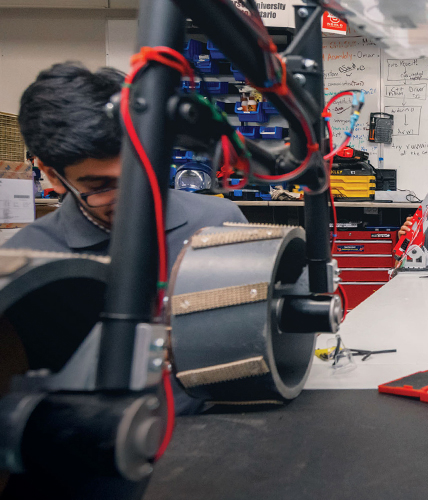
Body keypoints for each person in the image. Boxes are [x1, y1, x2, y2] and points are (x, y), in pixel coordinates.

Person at [4, 62, 247, 414]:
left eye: (141, 171)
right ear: (52, 176)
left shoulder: (219, 224)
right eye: (101, 186)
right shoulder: (28, 262)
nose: (135, 197)